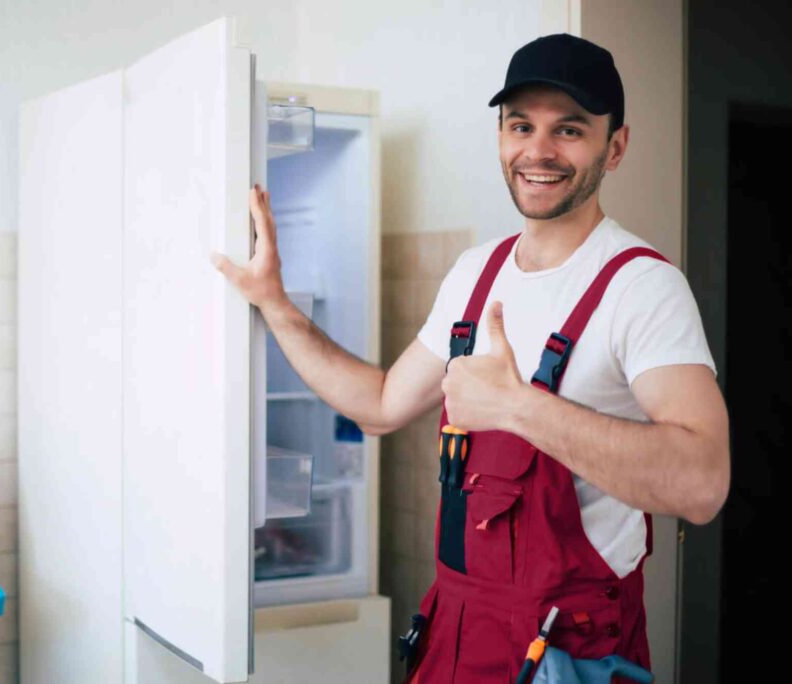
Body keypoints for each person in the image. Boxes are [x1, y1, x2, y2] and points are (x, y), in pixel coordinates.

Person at [210, 33, 730, 684]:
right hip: (456, 638)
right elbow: (379, 404)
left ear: (615, 146)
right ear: (500, 135)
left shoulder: (641, 287)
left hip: (567, 657)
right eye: (521, 125)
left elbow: (703, 484)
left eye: (568, 130)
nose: (538, 150)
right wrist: (275, 302)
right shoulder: (473, 275)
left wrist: (520, 409)